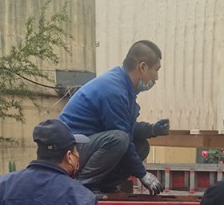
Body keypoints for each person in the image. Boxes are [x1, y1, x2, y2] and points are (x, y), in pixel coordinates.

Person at [59, 40, 167, 196]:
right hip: (70, 150)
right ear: (143, 67)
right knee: (120, 139)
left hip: (87, 145)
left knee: (141, 146)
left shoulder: (124, 87)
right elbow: (121, 135)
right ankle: (83, 184)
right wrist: (143, 174)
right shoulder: (114, 90)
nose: (156, 77)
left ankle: (103, 184)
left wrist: (151, 130)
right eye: (156, 70)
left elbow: (127, 129)